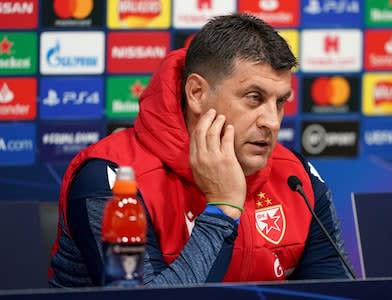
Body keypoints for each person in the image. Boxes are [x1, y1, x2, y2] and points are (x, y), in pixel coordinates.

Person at [48, 13, 352, 287]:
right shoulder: (112, 180)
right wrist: (222, 208)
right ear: (197, 93)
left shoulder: (295, 178)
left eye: (280, 102)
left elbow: (335, 293)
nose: (272, 122)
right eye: (254, 98)